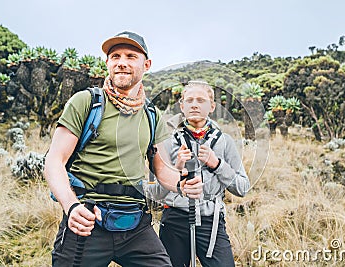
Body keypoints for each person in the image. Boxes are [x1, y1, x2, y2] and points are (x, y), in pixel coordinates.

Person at [44, 31, 203, 267]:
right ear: (107, 63)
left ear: (146, 64)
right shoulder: (86, 102)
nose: (122, 62)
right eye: (115, 56)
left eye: (131, 56)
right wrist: (71, 206)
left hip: (136, 223)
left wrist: (181, 184)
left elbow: (162, 170)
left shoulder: (152, 116)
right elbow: (54, 161)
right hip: (88, 217)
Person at [149, 80, 250, 267]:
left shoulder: (225, 142)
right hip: (173, 223)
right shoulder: (167, 142)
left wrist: (217, 164)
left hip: (211, 223)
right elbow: (153, 194)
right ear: (182, 106)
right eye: (189, 100)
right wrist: (176, 171)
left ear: (212, 106)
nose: (194, 104)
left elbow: (243, 188)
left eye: (201, 100)